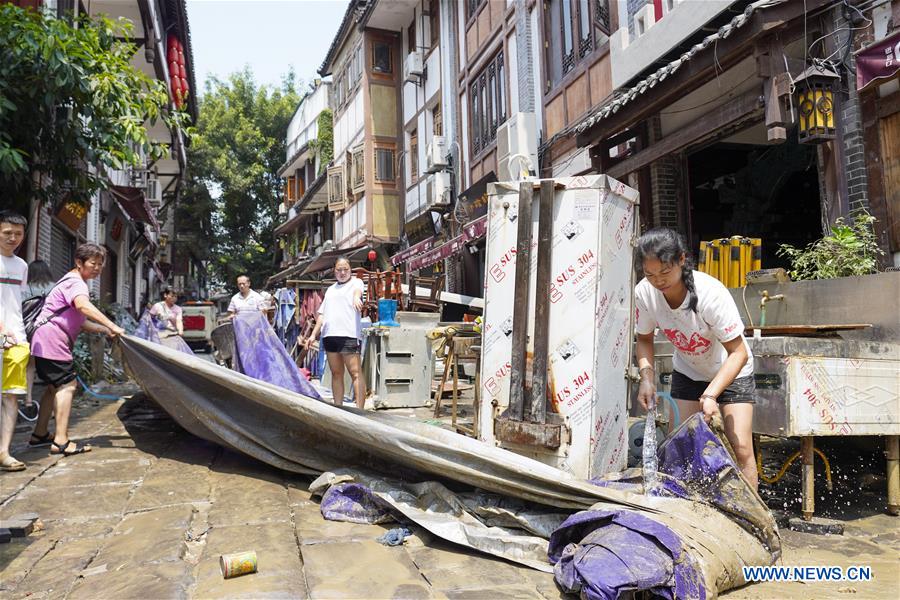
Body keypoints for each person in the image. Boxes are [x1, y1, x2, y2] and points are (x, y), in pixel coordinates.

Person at [633, 228, 757, 491]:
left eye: (664, 272)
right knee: (680, 446)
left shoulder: (709, 294)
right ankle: (689, 510)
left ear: (681, 260)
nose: (658, 281)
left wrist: (711, 395)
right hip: (688, 371)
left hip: (731, 369)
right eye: (650, 274)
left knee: (741, 448)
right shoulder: (644, 293)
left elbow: (739, 352)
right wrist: (647, 378)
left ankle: (750, 522)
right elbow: (644, 339)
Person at [29, 243, 125, 457]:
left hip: (44, 338)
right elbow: (83, 307)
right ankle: (61, 441)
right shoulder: (76, 284)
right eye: (93, 263)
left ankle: (40, 434)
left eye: (101, 264)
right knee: (67, 385)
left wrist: (103, 329)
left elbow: (79, 321)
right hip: (52, 340)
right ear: (79, 262)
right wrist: (111, 325)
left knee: (54, 386)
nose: (98, 268)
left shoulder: (69, 281)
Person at [302, 257, 366, 409]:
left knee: (355, 373)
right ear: (334, 271)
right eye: (339, 270)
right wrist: (312, 335)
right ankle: (338, 408)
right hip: (330, 335)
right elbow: (322, 315)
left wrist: (357, 298)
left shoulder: (356, 282)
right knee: (336, 373)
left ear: (350, 269)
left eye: (345, 269)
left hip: (348, 334)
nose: (342, 272)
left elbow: (357, 292)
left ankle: (360, 410)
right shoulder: (330, 290)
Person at [0, 210, 30, 471]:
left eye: (18, 234)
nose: (13, 238)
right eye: (7, 232)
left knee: (11, 397)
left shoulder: (22, 266)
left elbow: (16, 304)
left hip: (16, 339)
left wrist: (19, 335)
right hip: (2, 336)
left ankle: (4, 452)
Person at [23, 260, 55, 413]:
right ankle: (55, 406)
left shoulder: (25, 287)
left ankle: (28, 400)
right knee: (53, 370)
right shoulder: (54, 288)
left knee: (30, 365)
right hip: (49, 333)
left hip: (28, 332)